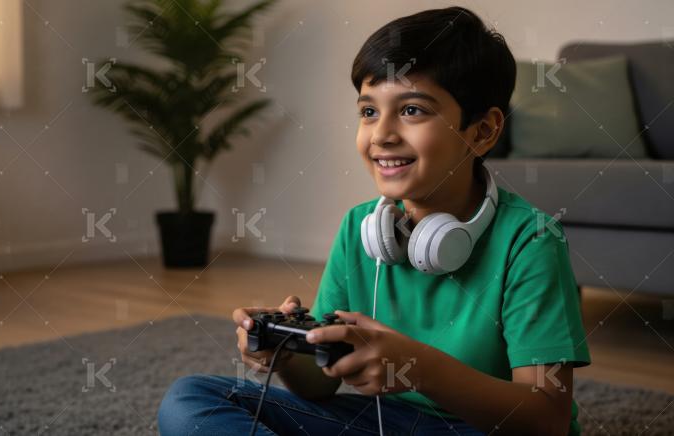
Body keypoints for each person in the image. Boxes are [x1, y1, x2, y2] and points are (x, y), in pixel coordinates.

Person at [158, 6, 590, 435]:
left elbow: (546, 419)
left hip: (486, 429)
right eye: (368, 112)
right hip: (385, 424)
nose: (381, 134)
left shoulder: (530, 239)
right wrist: (286, 354)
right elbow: (320, 387)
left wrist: (418, 369)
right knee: (191, 399)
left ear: (482, 131)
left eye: (412, 110)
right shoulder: (359, 228)